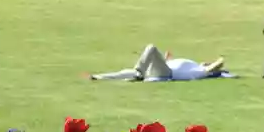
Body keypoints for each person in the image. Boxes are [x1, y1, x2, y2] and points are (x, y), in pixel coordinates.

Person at [91, 45, 225, 81]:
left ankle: (139, 71)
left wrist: (220, 60)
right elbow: (174, 65)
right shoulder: (192, 64)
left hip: (166, 74)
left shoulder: (199, 71)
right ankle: (99, 77)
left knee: (151, 48)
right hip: (163, 69)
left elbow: (217, 65)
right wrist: (167, 59)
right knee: (127, 73)